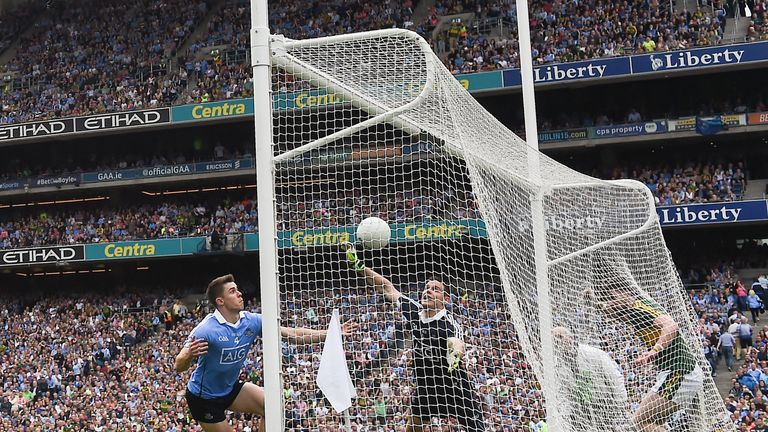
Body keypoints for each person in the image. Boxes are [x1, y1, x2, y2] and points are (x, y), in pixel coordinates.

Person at [175, 274, 357, 432]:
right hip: (204, 398)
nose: (239, 293)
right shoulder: (206, 330)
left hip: (229, 388)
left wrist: (331, 333)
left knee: (273, 407)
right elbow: (179, 365)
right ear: (220, 301)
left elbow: (292, 334)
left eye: (237, 289)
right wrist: (189, 354)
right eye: (232, 291)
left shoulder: (251, 321)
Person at [343, 243, 484, 432]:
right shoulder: (414, 311)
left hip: (455, 390)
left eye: (435, 289)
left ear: (445, 299)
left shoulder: (449, 324)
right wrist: (359, 266)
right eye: (426, 287)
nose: (428, 291)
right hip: (426, 389)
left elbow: (456, 342)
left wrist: (455, 355)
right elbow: (387, 287)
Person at [584, 258, 703, 432]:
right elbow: (610, 311)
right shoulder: (632, 312)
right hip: (675, 373)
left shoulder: (641, 308)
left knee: (637, 422)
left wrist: (653, 351)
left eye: (613, 298)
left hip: (680, 372)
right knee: (648, 424)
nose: (611, 303)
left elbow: (671, 326)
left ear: (625, 292)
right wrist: (594, 302)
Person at [551, 326, 630, 431]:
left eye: (560, 337)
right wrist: (564, 418)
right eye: (555, 339)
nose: (558, 341)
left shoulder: (593, 353)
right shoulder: (559, 366)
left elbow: (615, 378)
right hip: (581, 412)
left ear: (570, 337)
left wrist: (621, 404)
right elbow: (564, 393)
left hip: (605, 406)